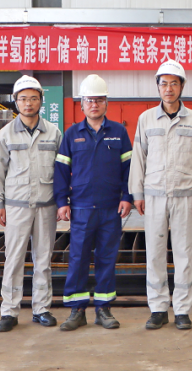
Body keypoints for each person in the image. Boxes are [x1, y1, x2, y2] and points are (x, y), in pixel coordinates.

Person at [129, 60, 192, 331]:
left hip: (185, 195)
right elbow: (139, 157)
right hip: (153, 195)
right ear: (158, 87)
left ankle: (182, 310)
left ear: (182, 86)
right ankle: (158, 308)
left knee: (184, 253)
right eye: (164, 83)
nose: (169, 88)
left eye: (174, 83)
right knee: (155, 253)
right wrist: (137, 193)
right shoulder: (146, 119)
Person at [54, 74, 133, 331]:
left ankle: (103, 309)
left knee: (107, 258)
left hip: (111, 209)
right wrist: (62, 202)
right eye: (89, 100)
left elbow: (129, 169)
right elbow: (61, 171)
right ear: (81, 105)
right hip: (81, 208)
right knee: (78, 258)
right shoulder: (71, 134)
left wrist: (127, 197)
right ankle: (77, 310)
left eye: (99, 100)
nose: (94, 105)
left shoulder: (119, 132)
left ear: (106, 103)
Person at [0, 75, 63, 332]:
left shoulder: (53, 132)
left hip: (46, 205)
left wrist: (62, 201)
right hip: (16, 206)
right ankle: (9, 311)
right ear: (15, 102)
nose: (28, 103)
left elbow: (62, 172)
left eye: (33, 98)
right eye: (23, 99)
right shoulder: (6, 134)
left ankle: (41, 309)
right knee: (14, 259)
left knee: (43, 259)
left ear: (41, 101)